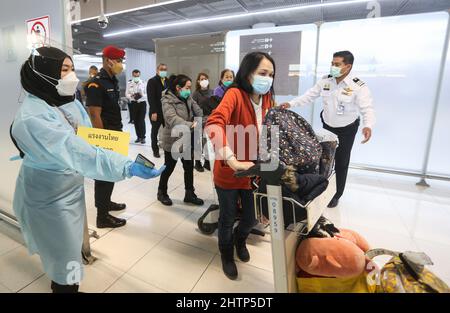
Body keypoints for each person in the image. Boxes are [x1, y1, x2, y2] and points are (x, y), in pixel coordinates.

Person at [11, 46, 164, 293]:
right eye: (64, 70)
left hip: (70, 189)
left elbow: (88, 138)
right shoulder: (33, 117)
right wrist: (124, 166)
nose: (72, 76)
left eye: (72, 69)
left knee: (67, 249)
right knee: (65, 259)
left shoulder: (66, 102)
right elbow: (76, 151)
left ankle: (64, 282)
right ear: (43, 74)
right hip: (48, 196)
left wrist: (115, 152)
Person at [205, 52, 275, 280]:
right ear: (248, 73)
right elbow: (214, 123)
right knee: (227, 217)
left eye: (271, 74)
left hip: (254, 171)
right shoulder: (235, 94)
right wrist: (232, 159)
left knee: (252, 217)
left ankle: (240, 238)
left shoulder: (267, 99)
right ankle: (226, 253)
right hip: (229, 171)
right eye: (263, 73)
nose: (268, 78)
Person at [281, 51, 375, 208]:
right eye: (332, 63)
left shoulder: (358, 85)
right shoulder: (326, 81)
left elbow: (367, 108)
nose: (333, 66)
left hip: (347, 128)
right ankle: (322, 189)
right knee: (324, 160)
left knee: (341, 161)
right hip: (328, 126)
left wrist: (368, 125)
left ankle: (337, 194)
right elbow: (309, 95)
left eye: (337, 64)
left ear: (348, 66)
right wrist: (290, 104)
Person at [85, 45, 129, 229]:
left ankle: (106, 202)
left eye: (121, 61)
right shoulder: (96, 84)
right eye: (118, 61)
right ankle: (102, 217)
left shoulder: (113, 80)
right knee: (103, 175)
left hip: (114, 132)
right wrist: (103, 141)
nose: (120, 64)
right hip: (106, 135)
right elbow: (94, 115)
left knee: (110, 171)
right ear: (108, 60)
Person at [157, 74, 205, 207]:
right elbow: (172, 119)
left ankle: (189, 194)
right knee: (169, 167)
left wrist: (202, 119)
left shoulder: (187, 97)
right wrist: (191, 125)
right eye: (187, 87)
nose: (189, 90)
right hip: (172, 139)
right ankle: (162, 192)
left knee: (188, 167)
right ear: (178, 88)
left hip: (185, 137)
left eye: (189, 88)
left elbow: (198, 110)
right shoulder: (167, 100)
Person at [192, 72, 213, 172]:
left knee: (207, 142)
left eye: (205, 78)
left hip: (210, 119)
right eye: (201, 79)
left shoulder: (212, 92)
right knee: (198, 142)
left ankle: (207, 162)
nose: (203, 80)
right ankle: (197, 162)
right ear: (198, 81)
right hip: (198, 119)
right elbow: (193, 107)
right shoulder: (195, 94)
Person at [147, 63, 168, 158]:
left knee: (168, 130)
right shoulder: (152, 81)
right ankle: (155, 150)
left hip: (166, 111)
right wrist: (154, 112)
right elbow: (151, 98)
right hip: (156, 111)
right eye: (161, 69)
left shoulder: (167, 81)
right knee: (154, 131)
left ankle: (168, 148)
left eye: (165, 69)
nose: (163, 71)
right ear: (157, 70)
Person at [126, 69, 147, 144]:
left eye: (137, 76)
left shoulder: (143, 83)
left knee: (141, 120)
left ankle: (143, 137)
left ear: (139, 75)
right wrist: (131, 96)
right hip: (133, 104)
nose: (136, 77)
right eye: (134, 76)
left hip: (142, 103)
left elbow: (146, 95)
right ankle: (138, 137)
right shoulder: (129, 83)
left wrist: (140, 95)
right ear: (132, 75)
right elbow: (127, 94)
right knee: (135, 121)